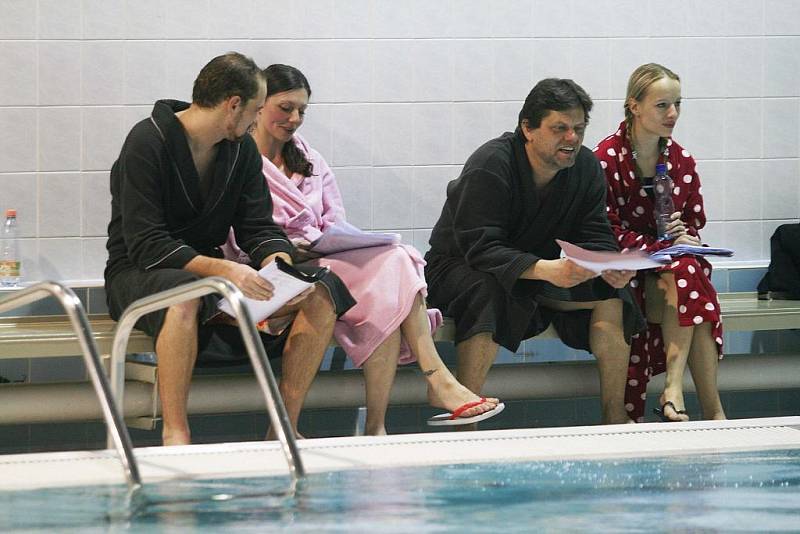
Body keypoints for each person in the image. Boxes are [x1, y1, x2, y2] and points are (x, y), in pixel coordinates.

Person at [223, 64, 504, 435]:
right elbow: (232, 233)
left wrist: (332, 241)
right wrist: (288, 249)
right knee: (392, 280)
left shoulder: (309, 159)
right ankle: (431, 385)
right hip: (269, 271)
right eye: (285, 107)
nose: (294, 119)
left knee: (396, 261)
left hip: (322, 258)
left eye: (302, 111)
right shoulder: (237, 160)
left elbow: (334, 221)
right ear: (259, 106)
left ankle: (383, 422)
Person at [104, 53, 355, 446]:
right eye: (257, 109)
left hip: (208, 275)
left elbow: (258, 227)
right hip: (139, 272)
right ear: (233, 104)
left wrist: (280, 266)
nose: (257, 121)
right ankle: (176, 435)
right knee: (185, 293)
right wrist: (225, 271)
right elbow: (146, 243)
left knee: (320, 290)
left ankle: (283, 428)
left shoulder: (238, 152)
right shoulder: (148, 141)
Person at [424, 78, 644, 426]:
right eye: (560, 128)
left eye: (578, 129)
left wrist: (608, 266)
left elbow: (596, 233)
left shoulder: (585, 169)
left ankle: (615, 415)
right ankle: (466, 407)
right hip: (458, 268)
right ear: (527, 128)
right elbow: (480, 247)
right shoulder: (491, 164)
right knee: (489, 289)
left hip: (538, 272)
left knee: (614, 295)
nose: (572, 138)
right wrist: (544, 269)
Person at [593, 63, 726, 422]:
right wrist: (657, 247)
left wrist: (685, 235)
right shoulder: (605, 159)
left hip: (671, 271)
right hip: (623, 270)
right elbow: (605, 229)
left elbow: (694, 219)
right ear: (634, 106)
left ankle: (676, 390)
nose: (673, 114)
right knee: (691, 285)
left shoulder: (681, 160)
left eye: (678, 104)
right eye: (662, 105)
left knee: (687, 272)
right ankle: (709, 410)